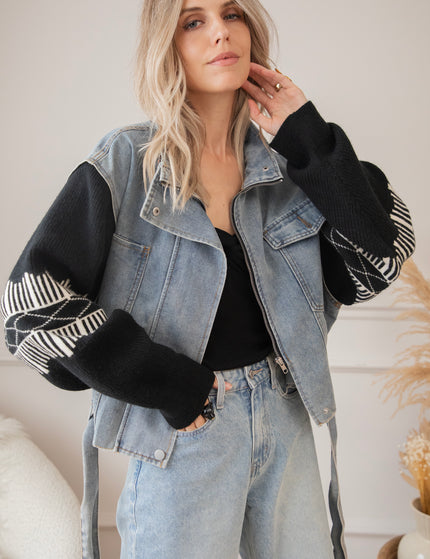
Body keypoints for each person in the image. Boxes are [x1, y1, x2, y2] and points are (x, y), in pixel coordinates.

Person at [1, 0, 415, 557]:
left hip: (286, 416)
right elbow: (29, 308)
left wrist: (311, 142)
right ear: (166, 46)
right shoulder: (127, 162)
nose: (220, 32)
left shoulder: (288, 168)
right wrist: (171, 386)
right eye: (193, 22)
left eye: (233, 14)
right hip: (182, 434)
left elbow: (380, 261)